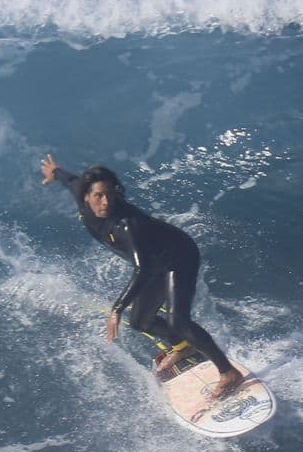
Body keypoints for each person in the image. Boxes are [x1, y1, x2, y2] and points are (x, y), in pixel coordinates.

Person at [40, 154, 246, 399]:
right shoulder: (81, 196)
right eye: (98, 196)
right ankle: (183, 347)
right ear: (86, 196)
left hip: (178, 257)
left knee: (178, 321)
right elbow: (71, 180)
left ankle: (228, 372)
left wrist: (116, 309)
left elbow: (144, 270)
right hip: (154, 262)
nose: (105, 202)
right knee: (140, 322)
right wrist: (55, 172)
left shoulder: (126, 225)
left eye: (109, 194)